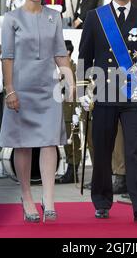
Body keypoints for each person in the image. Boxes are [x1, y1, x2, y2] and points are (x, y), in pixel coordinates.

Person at [77, 0, 137, 222]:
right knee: (102, 150)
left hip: (133, 95)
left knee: (135, 151)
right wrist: (82, 90)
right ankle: (102, 201)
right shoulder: (95, 17)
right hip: (104, 93)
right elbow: (84, 56)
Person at [0, 0, 74, 223]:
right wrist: (10, 90)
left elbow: (60, 53)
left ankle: (49, 198)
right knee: (23, 145)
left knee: (50, 142)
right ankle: (27, 196)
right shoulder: (12, 19)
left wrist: (69, 81)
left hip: (48, 89)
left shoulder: (55, 16)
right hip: (21, 90)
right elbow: (7, 56)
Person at [56, 40, 81, 184]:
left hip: (72, 112)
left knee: (74, 142)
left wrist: (77, 111)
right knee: (66, 142)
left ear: (68, 52)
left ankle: (73, 171)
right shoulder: (61, 70)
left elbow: (78, 90)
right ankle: (70, 170)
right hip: (63, 111)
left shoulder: (75, 68)